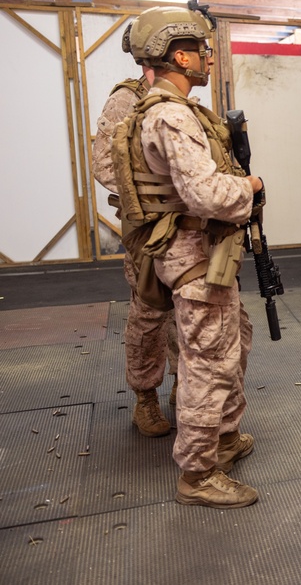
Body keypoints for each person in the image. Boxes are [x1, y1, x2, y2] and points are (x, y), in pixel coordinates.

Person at [117, 4, 262, 508]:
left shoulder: (156, 110)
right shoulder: (172, 114)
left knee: (229, 343)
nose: (207, 59)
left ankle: (223, 440)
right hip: (194, 255)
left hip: (195, 252)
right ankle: (198, 474)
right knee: (207, 362)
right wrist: (249, 186)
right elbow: (205, 195)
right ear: (181, 55)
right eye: (201, 50)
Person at [92, 23, 180, 439]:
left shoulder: (178, 98)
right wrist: (155, 197)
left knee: (188, 312)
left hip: (184, 227)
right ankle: (145, 398)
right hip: (146, 228)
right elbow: (105, 166)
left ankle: (187, 387)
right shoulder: (127, 98)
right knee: (149, 313)